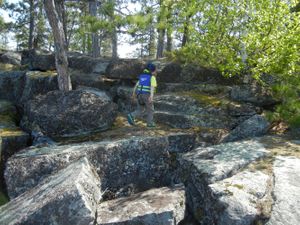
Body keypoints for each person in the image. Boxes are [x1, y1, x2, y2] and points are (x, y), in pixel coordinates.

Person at [127, 63, 157, 127]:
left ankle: (131, 115)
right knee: (150, 109)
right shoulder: (152, 77)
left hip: (139, 94)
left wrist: (134, 94)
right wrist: (151, 96)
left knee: (140, 109)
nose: (155, 72)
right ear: (152, 71)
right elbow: (152, 87)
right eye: (155, 70)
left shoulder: (142, 77)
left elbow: (136, 86)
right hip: (146, 95)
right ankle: (150, 123)